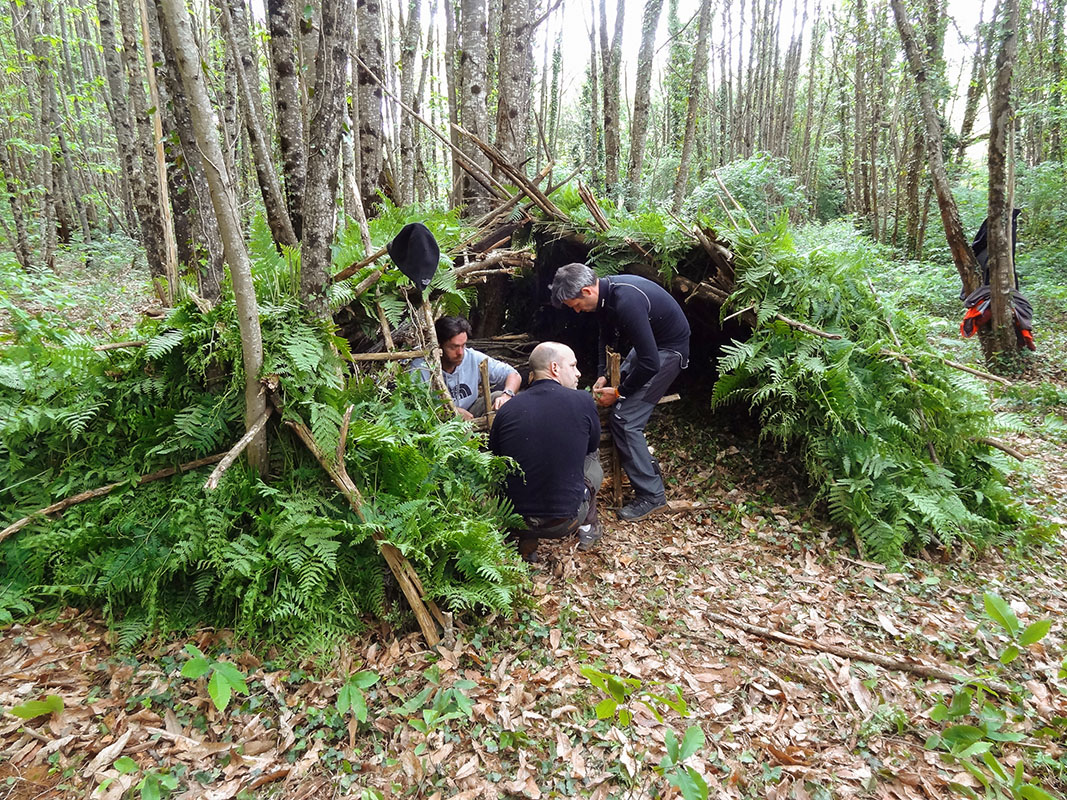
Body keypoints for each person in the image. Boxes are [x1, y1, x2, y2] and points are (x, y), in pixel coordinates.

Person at [550, 263, 690, 522]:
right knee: (620, 405)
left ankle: (652, 496)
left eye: (576, 305)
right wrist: (604, 373)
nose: (578, 312)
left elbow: (650, 364)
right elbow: (607, 334)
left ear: (586, 291)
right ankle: (646, 468)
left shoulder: (626, 300)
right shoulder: (606, 295)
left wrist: (618, 392)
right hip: (651, 347)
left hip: (669, 352)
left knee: (625, 420)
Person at [488, 342, 603, 561]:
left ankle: (527, 541)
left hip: (515, 520)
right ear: (555, 368)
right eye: (573, 365)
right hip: (565, 522)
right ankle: (589, 527)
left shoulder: (507, 409)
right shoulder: (583, 401)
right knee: (592, 456)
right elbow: (591, 446)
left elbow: (496, 460)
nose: (578, 373)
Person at [412, 316, 521, 420]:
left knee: (499, 398)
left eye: (463, 345)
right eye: (454, 347)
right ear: (439, 346)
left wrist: (507, 395)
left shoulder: (473, 358)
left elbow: (513, 374)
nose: (460, 353)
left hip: (471, 412)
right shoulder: (422, 368)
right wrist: (452, 412)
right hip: (437, 420)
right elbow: (415, 405)